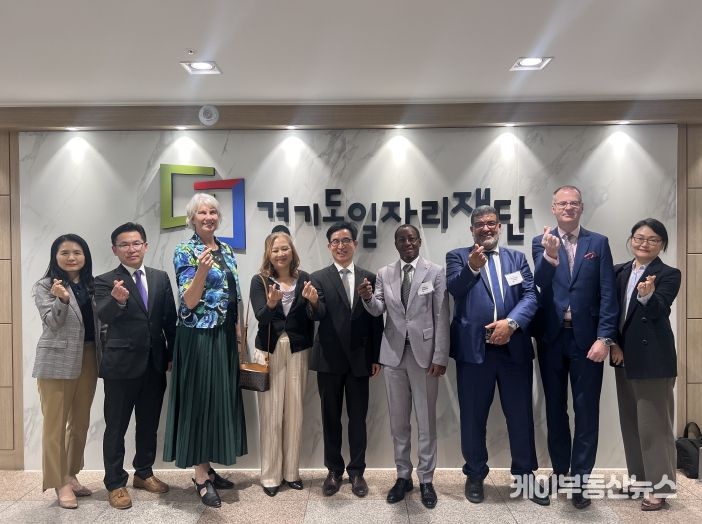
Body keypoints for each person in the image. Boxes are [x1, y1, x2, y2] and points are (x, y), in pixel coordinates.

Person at [446, 206, 546, 506]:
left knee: (520, 415)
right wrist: (472, 267)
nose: (486, 228)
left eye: (491, 223)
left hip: (513, 349)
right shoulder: (457, 256)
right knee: (473, 417)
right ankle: (475, 474)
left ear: (499, 227)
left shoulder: (517, 259)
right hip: (474, 352)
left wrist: (511, 324)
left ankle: (525, 475)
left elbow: (531, 296)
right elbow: (454, 289)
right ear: (472, 230)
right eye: (480, 224)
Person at [532, 185, 618, 509]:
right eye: (562, 203)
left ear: (582, 208)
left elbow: (608, 293)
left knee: (586, 411)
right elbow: (539, 283)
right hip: (552, 339)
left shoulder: (598, 243)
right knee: (555, 410)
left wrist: (604, 338)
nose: (568, 208)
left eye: (574, 203)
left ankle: (580, 481)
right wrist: (550, 255)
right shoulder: (541, 241)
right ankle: (560, 472)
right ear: (553, 208)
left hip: (588, 341)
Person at [163, 193, 247, 508]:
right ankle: (200, 476)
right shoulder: (184, 250)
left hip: (223, 335)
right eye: (202, 212)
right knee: (200, 399)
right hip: (197, 336)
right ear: (192, 219)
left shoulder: (226, 250)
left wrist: (238, 332)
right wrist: (200, 271)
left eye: (213, 212)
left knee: (218, 399)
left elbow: (232, 294)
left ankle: (208, 468)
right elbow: (189, 301)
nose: (208, 217)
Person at [358, 224, 449, 509]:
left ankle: (426, 479)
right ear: (396, 244)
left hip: (425, 358)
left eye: (412, 238)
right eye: (402, 239)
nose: (407, 242)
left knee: (425, 421)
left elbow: (441, 314)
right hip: (394, 356)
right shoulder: (385, 273)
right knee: (398, 422)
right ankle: (403, 475)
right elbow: (378, 309)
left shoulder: (435, 272)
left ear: (419, 241)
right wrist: (367, 297)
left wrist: (440, 356)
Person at [94, 222, 177, 510]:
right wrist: (116, 302)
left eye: (136, 243)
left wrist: (172, 354)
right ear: (115, 249)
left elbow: (169, 320)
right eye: (124, 245)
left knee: (149, 423)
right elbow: (102, 316)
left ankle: (143, 472)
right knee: (116, 427)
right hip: (120, 366)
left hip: (154, 364)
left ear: (145, 245)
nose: (131, 249)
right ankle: (115, 483)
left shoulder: (159, 278)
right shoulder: (105, 281)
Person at [301, 222, 383, 497]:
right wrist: (313, 302)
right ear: (329, 246)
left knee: (358, 419)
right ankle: (333, 470)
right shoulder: (318, 278)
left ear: (355, 244)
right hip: (329, 360)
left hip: (360, 360)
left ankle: (357, 471)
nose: (341, 245)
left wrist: (376, 356)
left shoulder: (369, 277)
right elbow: (318, 314)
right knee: (330, 418)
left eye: (346, 240)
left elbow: (376, 319)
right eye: (335, 241)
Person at [610, 219, 680, 511]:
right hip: (623, 357)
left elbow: (660, 311)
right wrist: (613, 343)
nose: (644, 244)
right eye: (639, 237)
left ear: (662, 244)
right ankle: (640, 481)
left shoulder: (669, 274)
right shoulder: (619, 271)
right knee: (631, 424)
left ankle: (660, 488)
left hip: (654, 360)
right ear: (631, 239)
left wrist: (647, 294)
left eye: (652, 239)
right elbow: (611, 312)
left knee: (655, 426)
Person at [32, 234, 99, 509]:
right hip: (56, 361)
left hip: (90, 357)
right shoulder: (45, 286)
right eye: (65, 252)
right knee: (55, 425)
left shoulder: (93, 285)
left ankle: (71, 474)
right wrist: (61, 299)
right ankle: (59, 481)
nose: (71, 257)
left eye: (77, 252)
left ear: (85, 256)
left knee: (80, 422)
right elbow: (52, 323)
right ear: (55, 256)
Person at [249, 231, 314, 496]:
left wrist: (314, 301)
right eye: (275, 250)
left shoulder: (305, 278)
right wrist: (271, 304)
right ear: (268, 253)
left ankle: (291, 473)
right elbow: (262, 317)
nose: (280, 254)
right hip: (269, 351)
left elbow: (314, 315)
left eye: (284, 248)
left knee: (295, 413)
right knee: (271, 415)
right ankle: (270, 476)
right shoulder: (260, 281)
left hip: (298, 349)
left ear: (292, 251)